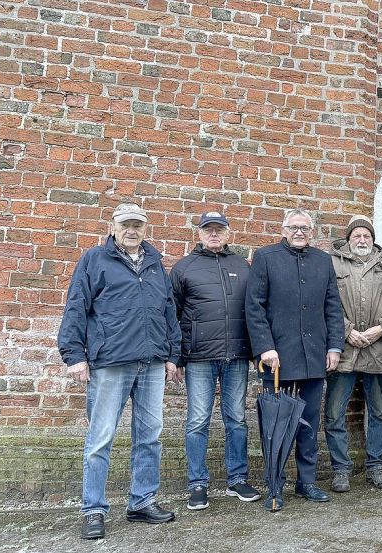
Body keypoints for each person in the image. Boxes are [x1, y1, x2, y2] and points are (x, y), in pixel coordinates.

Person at [58, 203, 181, 540]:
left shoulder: (156, 263)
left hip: (153, 362)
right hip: (110, 362)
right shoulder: (94, 260)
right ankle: (93, 509)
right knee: (100, 439)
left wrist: (173, 354)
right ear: (112, 227)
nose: (132, 230)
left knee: (150, 436)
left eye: (138, 225)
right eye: (126, 224)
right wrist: (73, 355)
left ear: (146, 228)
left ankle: (142, 501)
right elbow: (76, 305)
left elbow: (168, 311)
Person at [245, 208, 344, 510]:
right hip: (279, 360)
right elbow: (254, 306)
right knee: (276, 425)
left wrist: (335, 347)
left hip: (314, 358)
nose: (300, 232)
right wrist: (265, 347)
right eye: (294, 227)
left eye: (305, 227)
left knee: (309, 424)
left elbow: (333, 307)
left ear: (312, 232)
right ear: (284, 229)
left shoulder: (323, 261)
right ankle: (275, 484)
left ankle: (307, 482)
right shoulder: (266, 257)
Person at [170, 211, 260, 510]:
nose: (214, 234)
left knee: (237, 419)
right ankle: (197, 484)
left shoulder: (242, 266)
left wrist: (256, 350)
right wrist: (177, 357)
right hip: (199, 357)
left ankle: (237, 479)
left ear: (228, 233)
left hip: (236, 356)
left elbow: (254, 310)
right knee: (198, 421)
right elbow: (173, 315)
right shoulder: (184, 268)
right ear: (199, 234)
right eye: (208, 229)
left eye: (219, 229)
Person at [325, 217, 382, 492]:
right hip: (343, 350)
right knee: (335, 413)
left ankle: (376, 467)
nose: (361, 240)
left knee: (379, 413)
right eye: (356, 235)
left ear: (373, 239)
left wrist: (380, 329)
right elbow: (327, 302)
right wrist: (346, 331)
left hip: (378, 350)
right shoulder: (331, 264)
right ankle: (340, 470)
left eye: (366, 236)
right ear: (348, 239)